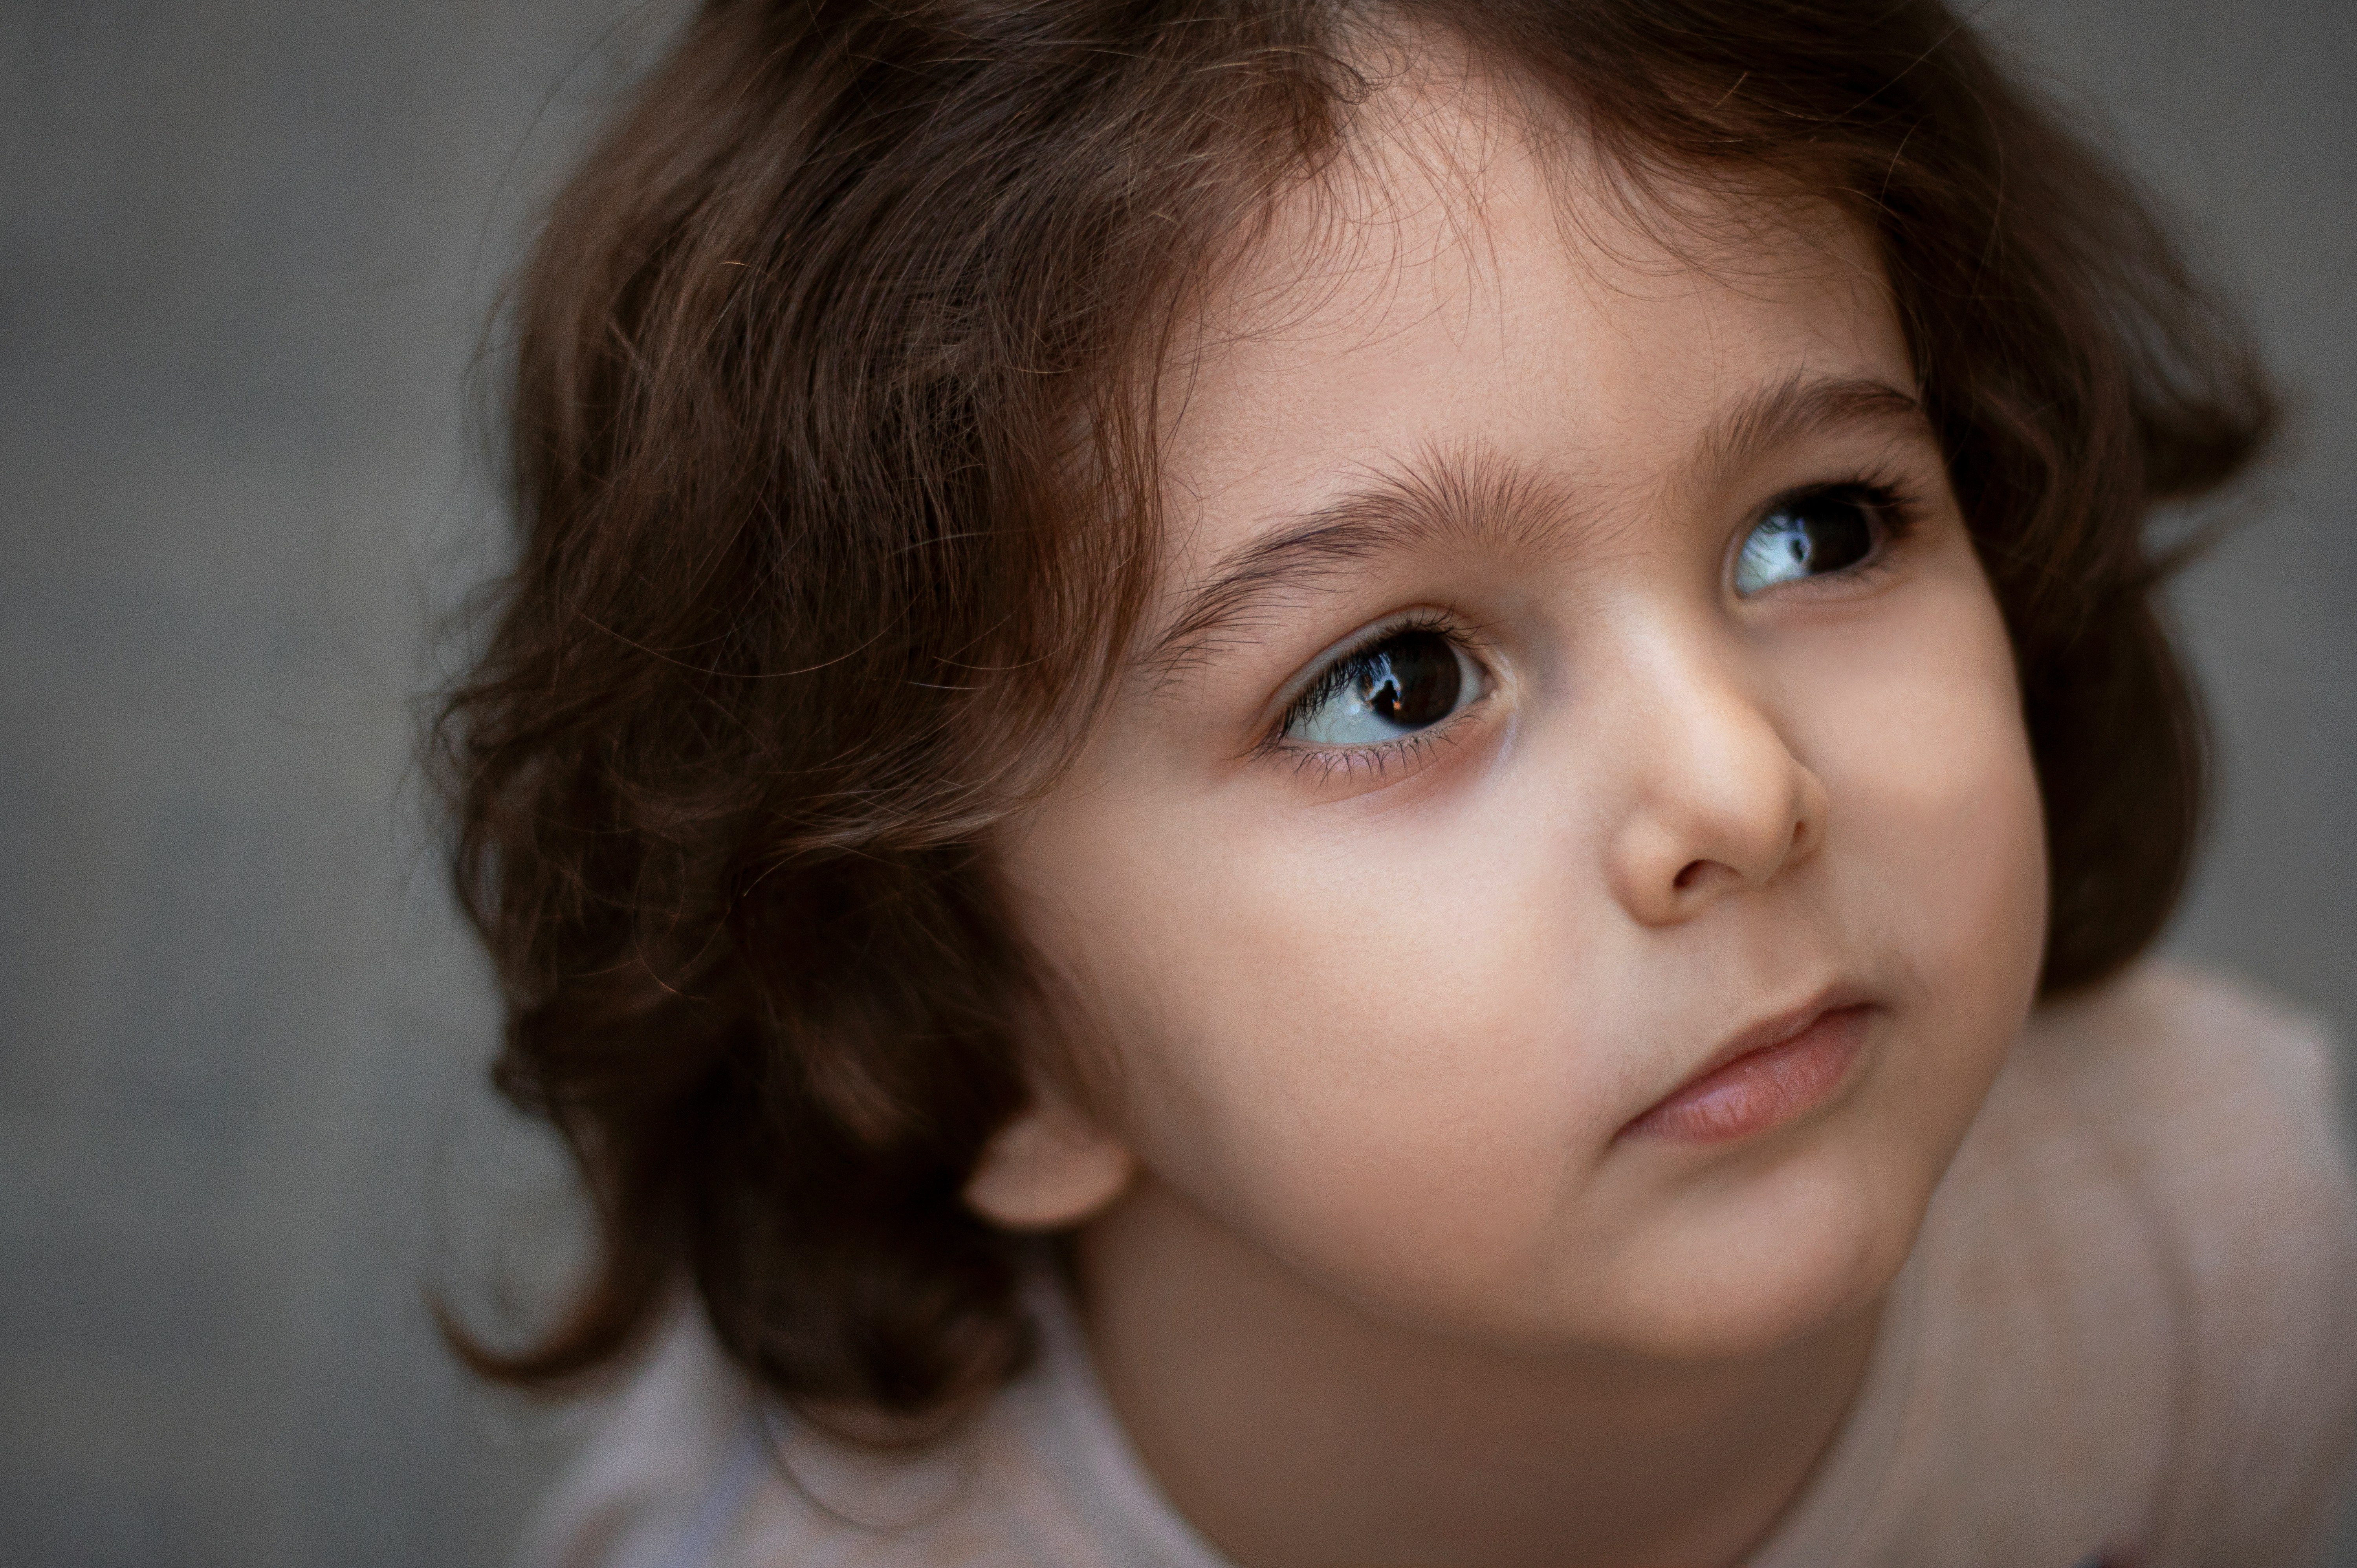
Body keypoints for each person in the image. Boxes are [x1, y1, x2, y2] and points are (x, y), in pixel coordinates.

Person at [433, 2, 2357, 1563]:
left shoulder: (2228, 1248)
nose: (1743, 790)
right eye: (1400, 677)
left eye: (1818, 530)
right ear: (970, 1019)